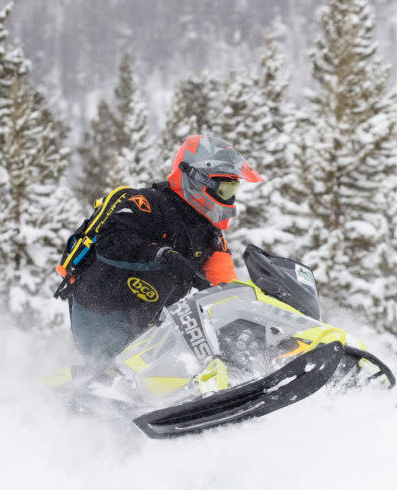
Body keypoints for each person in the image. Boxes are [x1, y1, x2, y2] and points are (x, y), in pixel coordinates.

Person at [62, 134, 263, 378]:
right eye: (223, 188)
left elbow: (227, 289)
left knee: (180, 373)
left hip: (147, 326)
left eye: (232, 189)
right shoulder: (148, 204)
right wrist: (162, 255)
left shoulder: (209, 233)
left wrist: (254, 319)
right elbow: (111, 240)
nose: (228, 197)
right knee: (121, 382)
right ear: (197, 180)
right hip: (101, 312)